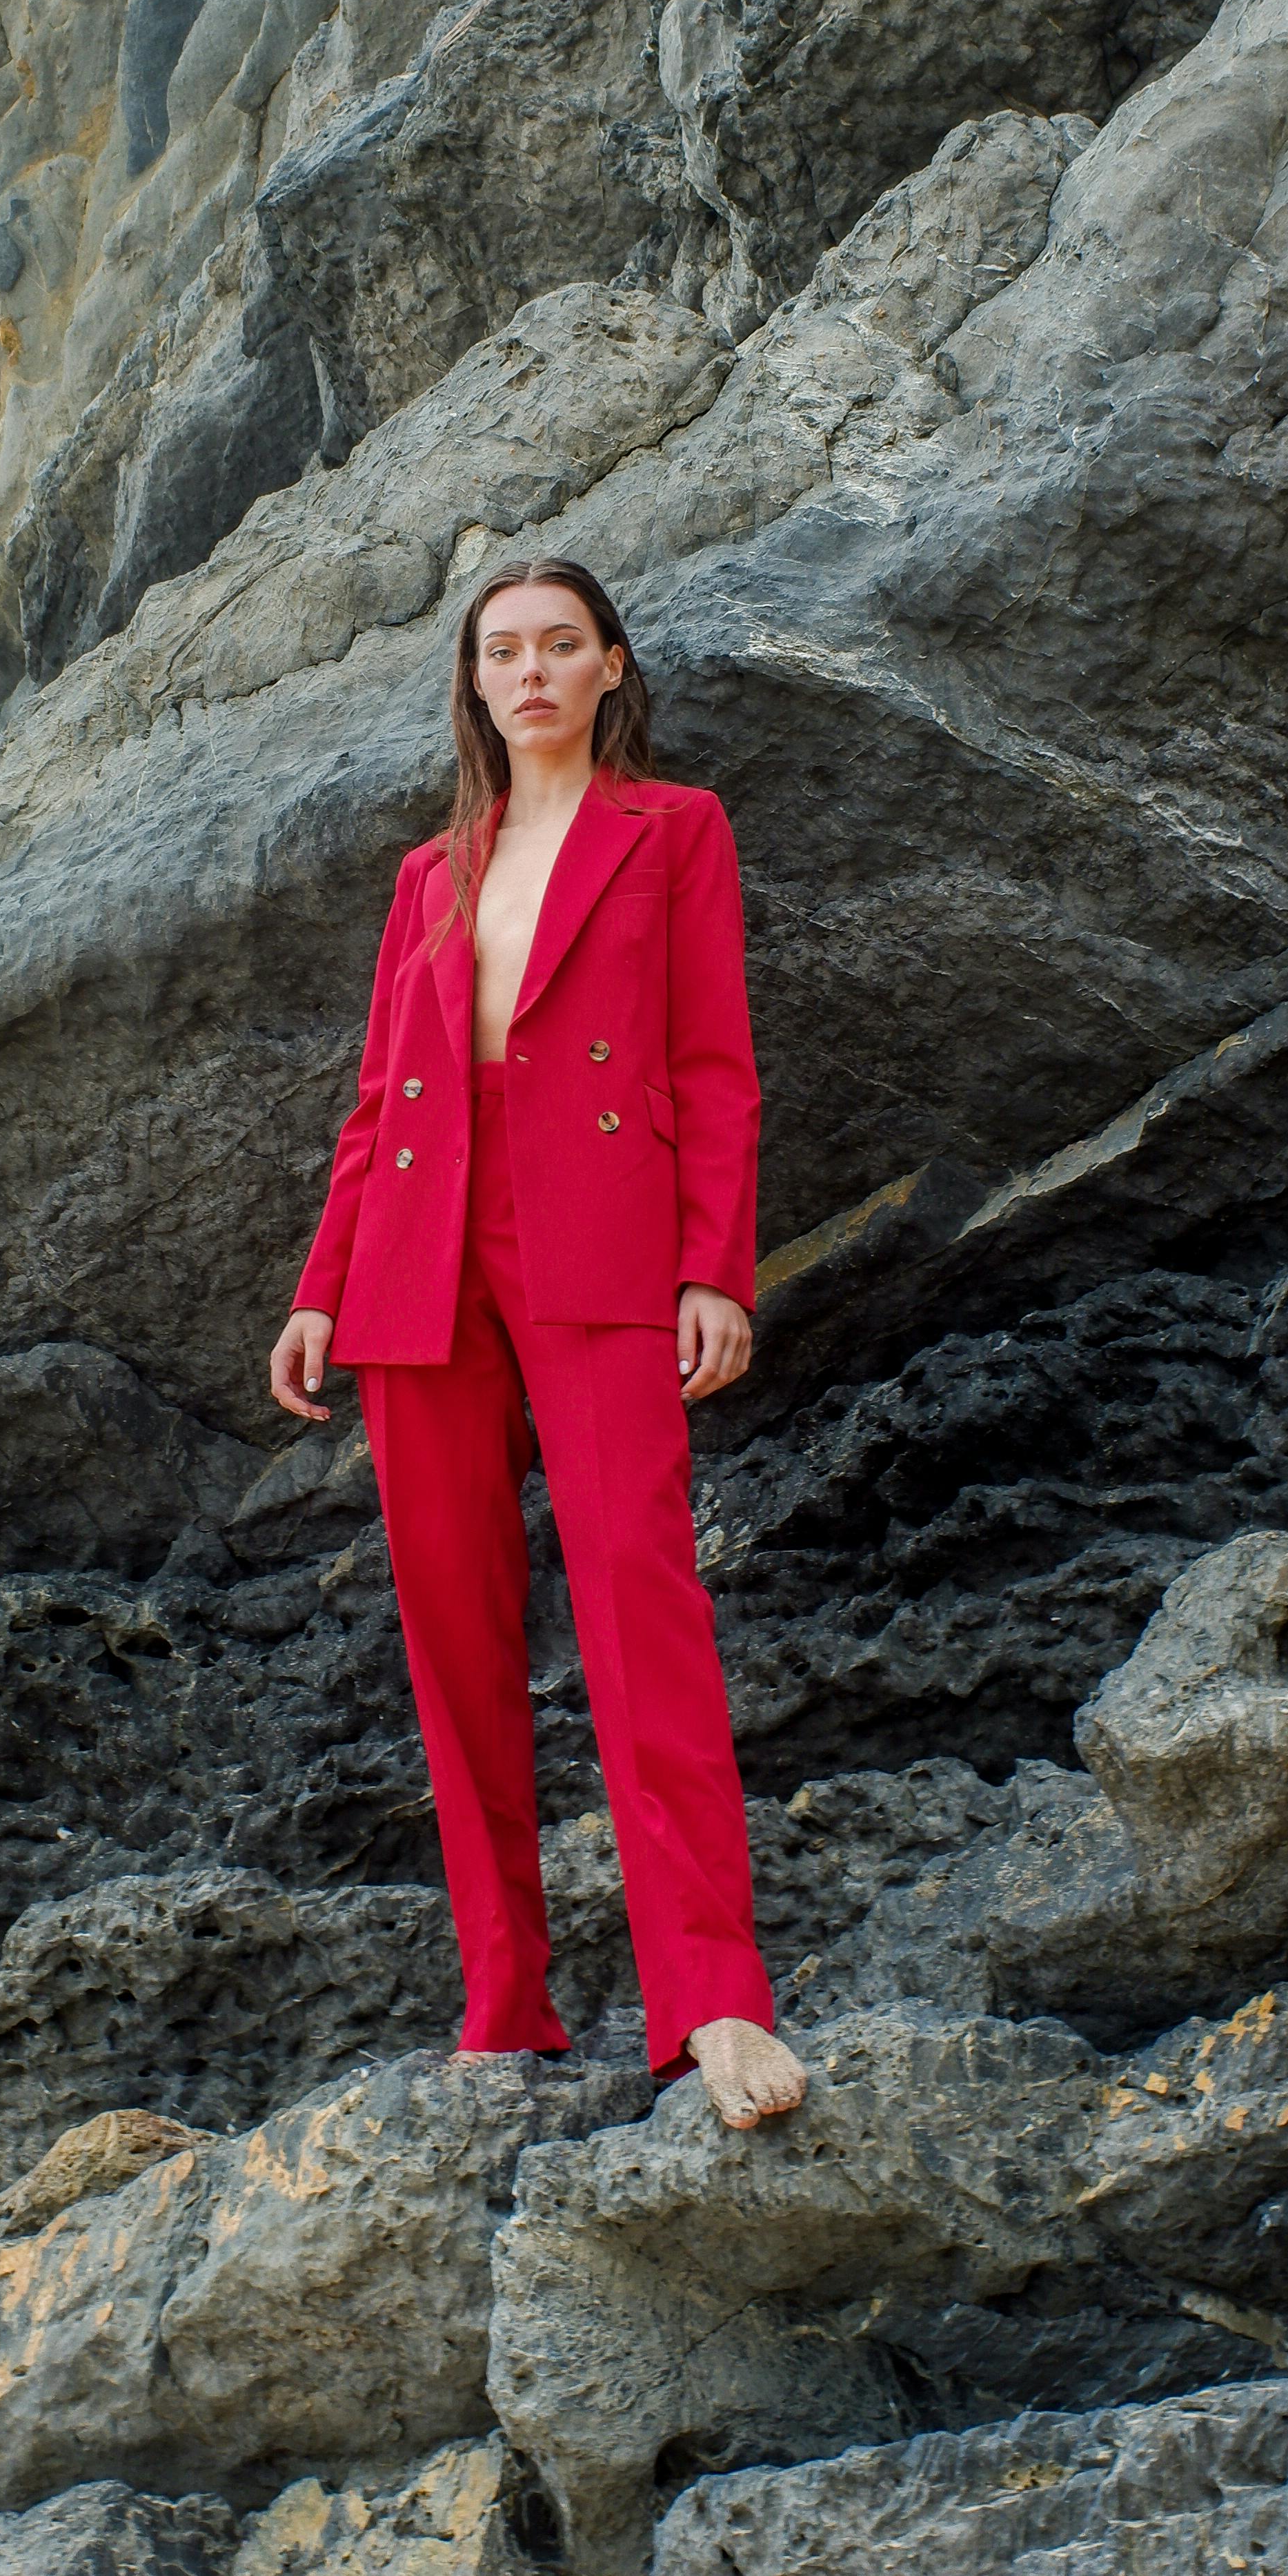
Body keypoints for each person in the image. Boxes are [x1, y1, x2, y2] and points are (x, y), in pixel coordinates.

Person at [268, 559, 808, 2132]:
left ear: (610, 667)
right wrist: (320, 1286)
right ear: (475, 683)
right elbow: (379, 1098)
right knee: (452, 1636)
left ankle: (710, 1998)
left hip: (599, 1235)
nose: (530, 672)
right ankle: (506, 2004)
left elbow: (713, 1064)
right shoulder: (430, 872)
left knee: (642, 1603)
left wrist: (714, 1269)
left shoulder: (674, 829)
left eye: (559, 645)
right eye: (501, 651)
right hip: (418, 1252)